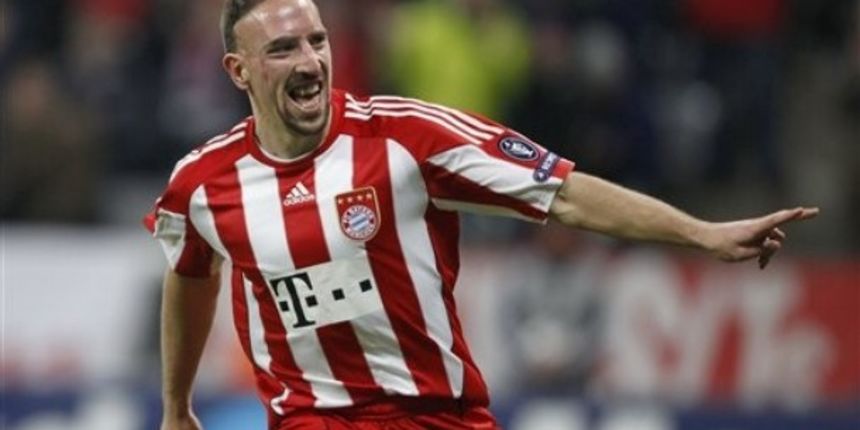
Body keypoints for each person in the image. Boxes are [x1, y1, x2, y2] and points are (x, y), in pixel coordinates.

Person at [145, 0, 818, 429]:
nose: (311, 61)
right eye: (284, 49)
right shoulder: (203, 184)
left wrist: (700, 232)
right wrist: (177, 404)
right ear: (238, 71)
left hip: (435, 416)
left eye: (316, 41)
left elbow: (568, 192)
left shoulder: (408, 137)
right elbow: (191, 267)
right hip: (308, 421)